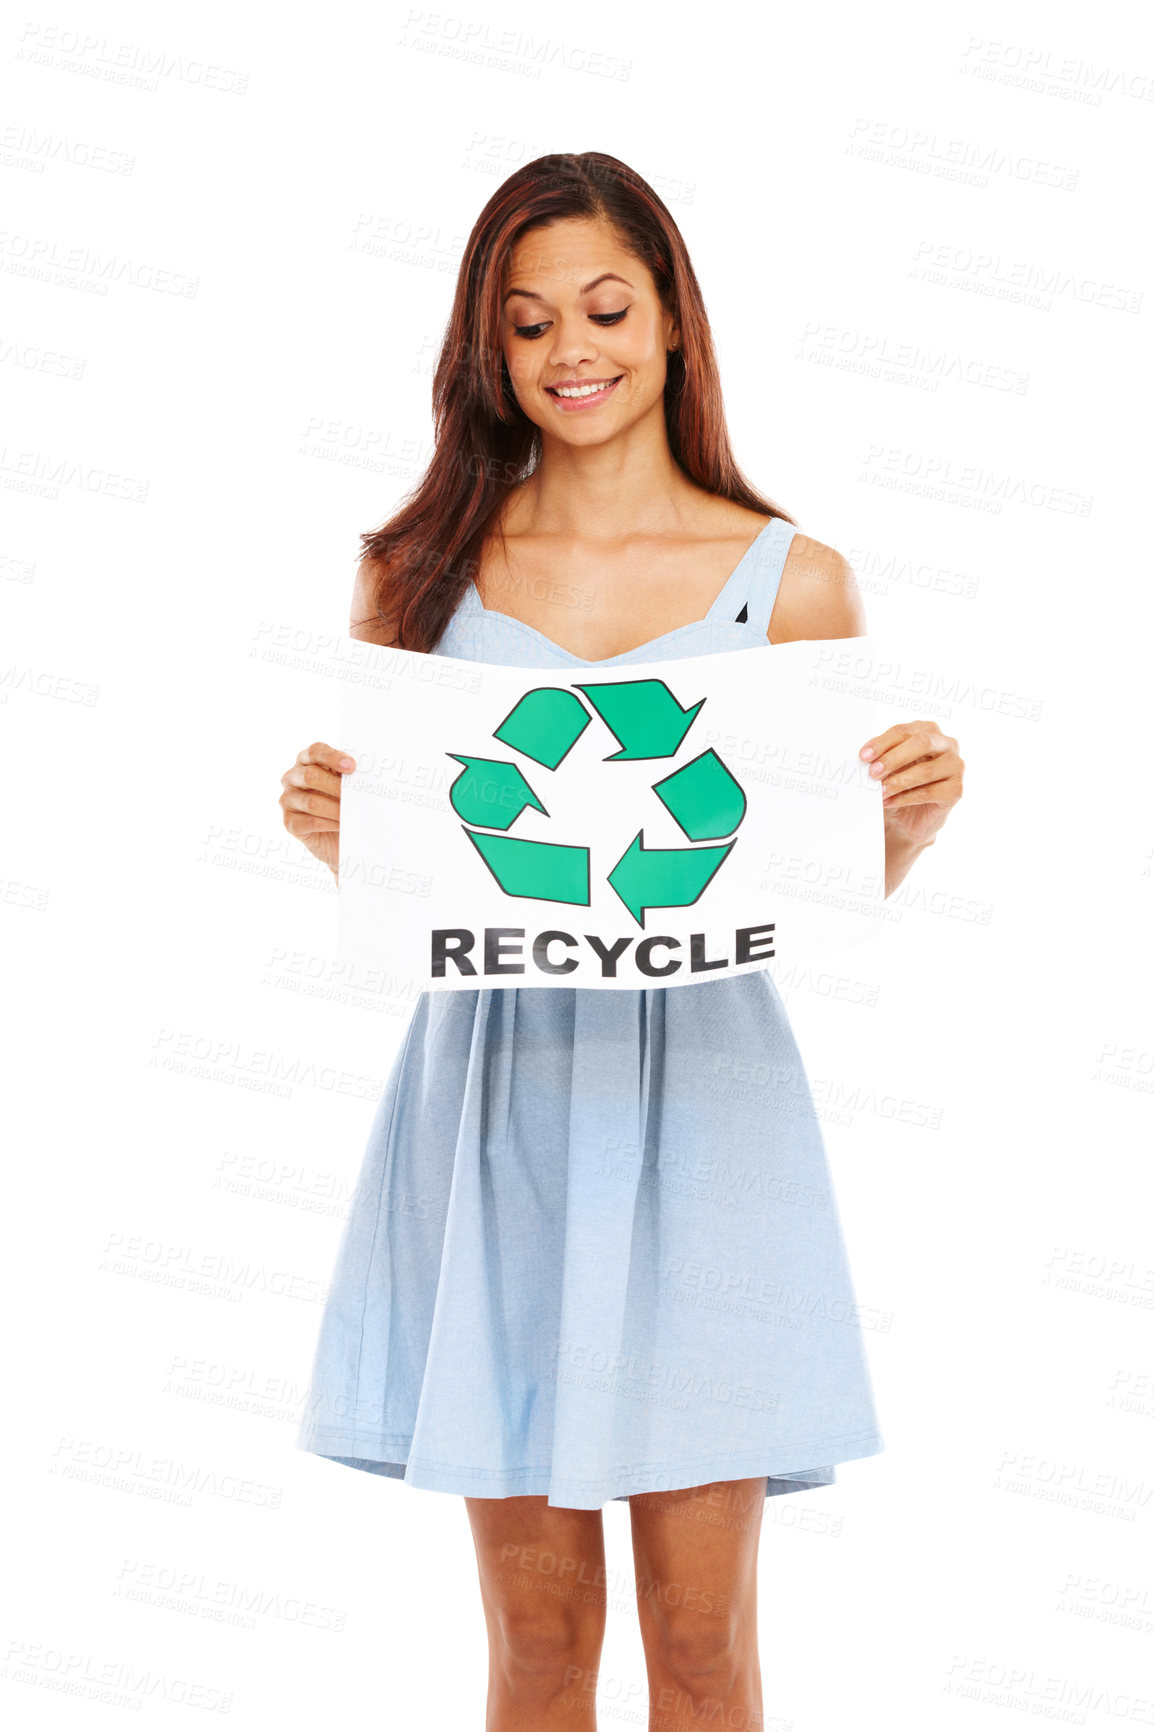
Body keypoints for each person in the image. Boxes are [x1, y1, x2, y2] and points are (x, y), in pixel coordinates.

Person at [279, 152, 963, 1732]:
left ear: (669, 324)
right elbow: (437, 893)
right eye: (525, 324)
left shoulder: (790, 584)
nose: (567, 349)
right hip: (495, 1117)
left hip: (711, 1125)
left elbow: (806, 884)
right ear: (488, 351)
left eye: (602, 307)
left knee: (706, 1644)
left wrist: (905, 830)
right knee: (530, 1644)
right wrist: (346, 844)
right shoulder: (418, 574)